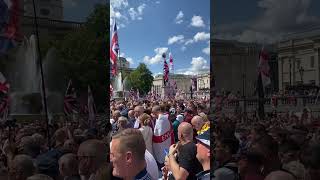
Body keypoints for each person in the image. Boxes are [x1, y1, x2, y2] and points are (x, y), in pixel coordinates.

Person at [152, 105, 175, 169]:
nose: (154, 115)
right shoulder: (166, 117)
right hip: (167, 142)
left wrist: (152, 137)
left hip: (161, 147)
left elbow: (158, 137)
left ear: (158, 111)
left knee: (163, 160)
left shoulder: (161, 121)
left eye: (154, 113)